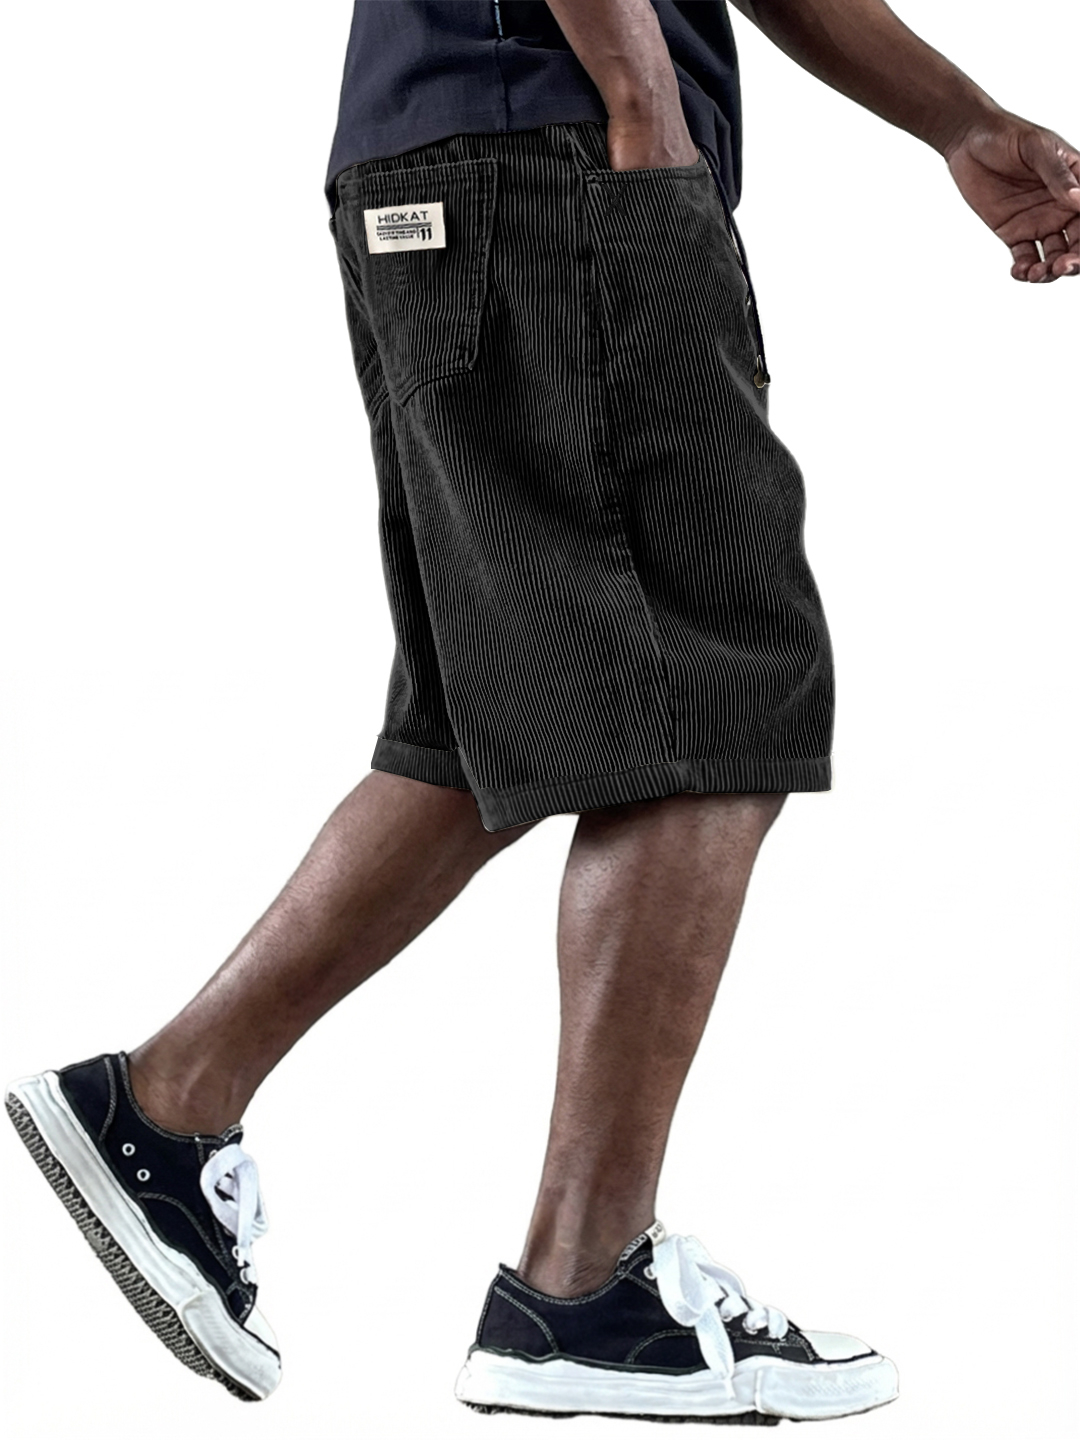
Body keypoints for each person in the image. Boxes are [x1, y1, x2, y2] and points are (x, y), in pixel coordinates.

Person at [6, 0, 1076, 1425]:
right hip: (557, 149)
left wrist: (960, 119)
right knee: (716, 694)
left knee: (489, 710)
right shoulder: (605, 113)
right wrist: (640, 97)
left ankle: (161, 1105)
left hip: (477, 159)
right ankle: (582, 1288)